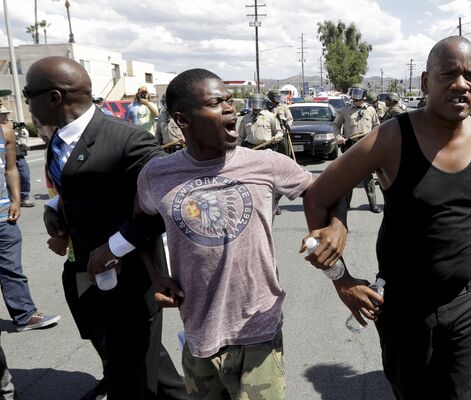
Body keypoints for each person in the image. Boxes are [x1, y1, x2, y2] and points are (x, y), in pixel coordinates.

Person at [302, 36, 471, 400]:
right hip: (403, 308)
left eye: (470, 76)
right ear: (426, 82)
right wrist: (342, 280)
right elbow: (320, 195)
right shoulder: (391, 138)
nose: (461, 84)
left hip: (467, 303)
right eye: (449, 74)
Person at [123, 68, 345, 399]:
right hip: (198, 333)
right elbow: (140, 225)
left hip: (259, 330)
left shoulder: (267, 163)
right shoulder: (157, 174)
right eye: (217, 103)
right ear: (183, 120)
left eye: (230, 100)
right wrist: (156, 274)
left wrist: (335, 227)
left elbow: (330, 189)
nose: (231, 109)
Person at [25, 56, 186, 399]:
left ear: (55, 97)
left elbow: (161, 207)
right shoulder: (57, 138)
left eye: (29, 94)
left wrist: (113, 247)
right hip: (84, 272)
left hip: (130, 278)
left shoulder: (129, 141)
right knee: (139, 362)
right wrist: (55, 208)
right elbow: (80, 186)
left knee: (131, 371)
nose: (26, 102)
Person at [0, 114, 61, 332]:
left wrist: (16, 200)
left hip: (4, 215)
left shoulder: (5, 132)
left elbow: (11, 168)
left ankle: (25, 315)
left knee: (12, 268)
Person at [333, 83, 381, 213]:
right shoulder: (345, 110)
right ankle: (346, 203)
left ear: (363, 95)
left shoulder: (370, 110)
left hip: (366, 148)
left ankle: (373, 204)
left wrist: (374, 135)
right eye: (353, 93)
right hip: (351, 146)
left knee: (368, 177)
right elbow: (336, 125)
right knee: (349, 176)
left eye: (357, 93)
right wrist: (338, 137)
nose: (354, 97)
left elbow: (377, 126)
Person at [0, 108, 34, 207]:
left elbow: (24, 135)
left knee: (25, 175)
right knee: (5, 177)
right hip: (4, 155)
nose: (5, 116)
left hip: (18, 154)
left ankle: (24, 197)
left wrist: (18, 130)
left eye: (6, 114)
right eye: (2, 114)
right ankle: (10, 199)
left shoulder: (11, 124)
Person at [267, 88, 293, 158]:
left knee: (285, 154)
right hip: (269, 135)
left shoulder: (284, 107)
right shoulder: (266, 108)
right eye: (277, 97)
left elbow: (290, 119)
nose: (279, 99)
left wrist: (287, 126)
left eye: (279, 97)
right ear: (271, 98)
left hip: (282, 134)